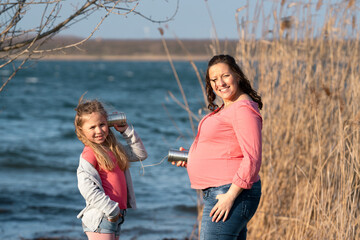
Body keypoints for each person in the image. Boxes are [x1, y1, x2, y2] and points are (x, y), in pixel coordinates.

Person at [173, 54, 263, 240]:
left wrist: (230, 196)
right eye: (214, 79)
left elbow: (252, 158)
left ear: (237, 75)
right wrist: (193, 159)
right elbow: (226, 149)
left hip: (230, 192)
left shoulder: (243, 109)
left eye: (225, 76)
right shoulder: (228, 107)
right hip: (223, 191)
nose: (219, 83)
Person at [74, 97, 147, 240]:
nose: (99, 130)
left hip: (115, 216)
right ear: (82, 131)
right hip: (102, 216)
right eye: (92, 127)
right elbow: (87, 187)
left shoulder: (113, 149)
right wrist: (111, 210)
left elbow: (140, 154)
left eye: (102, 124)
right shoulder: (89, 153)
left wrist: (126, 130)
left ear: (109, 123)